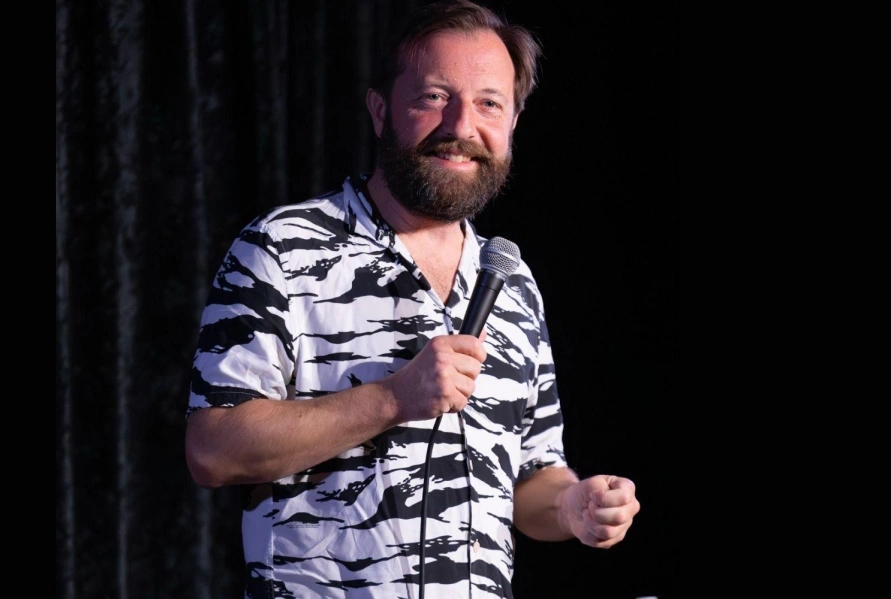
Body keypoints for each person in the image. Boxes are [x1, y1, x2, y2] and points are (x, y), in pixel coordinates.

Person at [184, 1, 641, 597]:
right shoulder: (282, 247)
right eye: (433, 97)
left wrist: (571, 506)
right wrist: (393, 398)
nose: (460, 125)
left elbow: (530, 475)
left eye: (489, 104)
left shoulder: (512, 279)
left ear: (512, 124)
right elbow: (212, 449)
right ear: (381, 110)